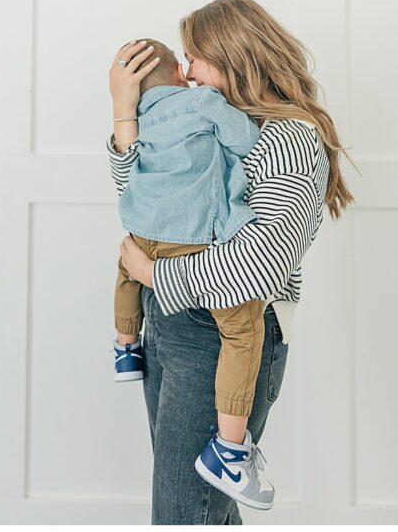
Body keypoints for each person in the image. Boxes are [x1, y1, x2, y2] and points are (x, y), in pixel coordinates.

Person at [108, 0, 353, 524]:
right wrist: (124, 112)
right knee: (200, 514)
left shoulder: (288, 136)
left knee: (183, 517)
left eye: (195, 57)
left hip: (222, 334)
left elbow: (263, 261)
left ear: (232, 54)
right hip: (168, 321)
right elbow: (144, 202)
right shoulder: (210, 117)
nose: (188, 72)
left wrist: (153, 272)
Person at [111, 37, 276, 510]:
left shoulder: (136, 122)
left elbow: (128, 182)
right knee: (243, 330)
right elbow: (247, 142)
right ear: (178, 75)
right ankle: (230, 452)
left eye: (195, 55)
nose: (189, 67)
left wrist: (123, 112)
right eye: (183, 60)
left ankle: (124, 348)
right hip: (194, 244)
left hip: (146, 239)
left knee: (126, 267)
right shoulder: (203, 103)